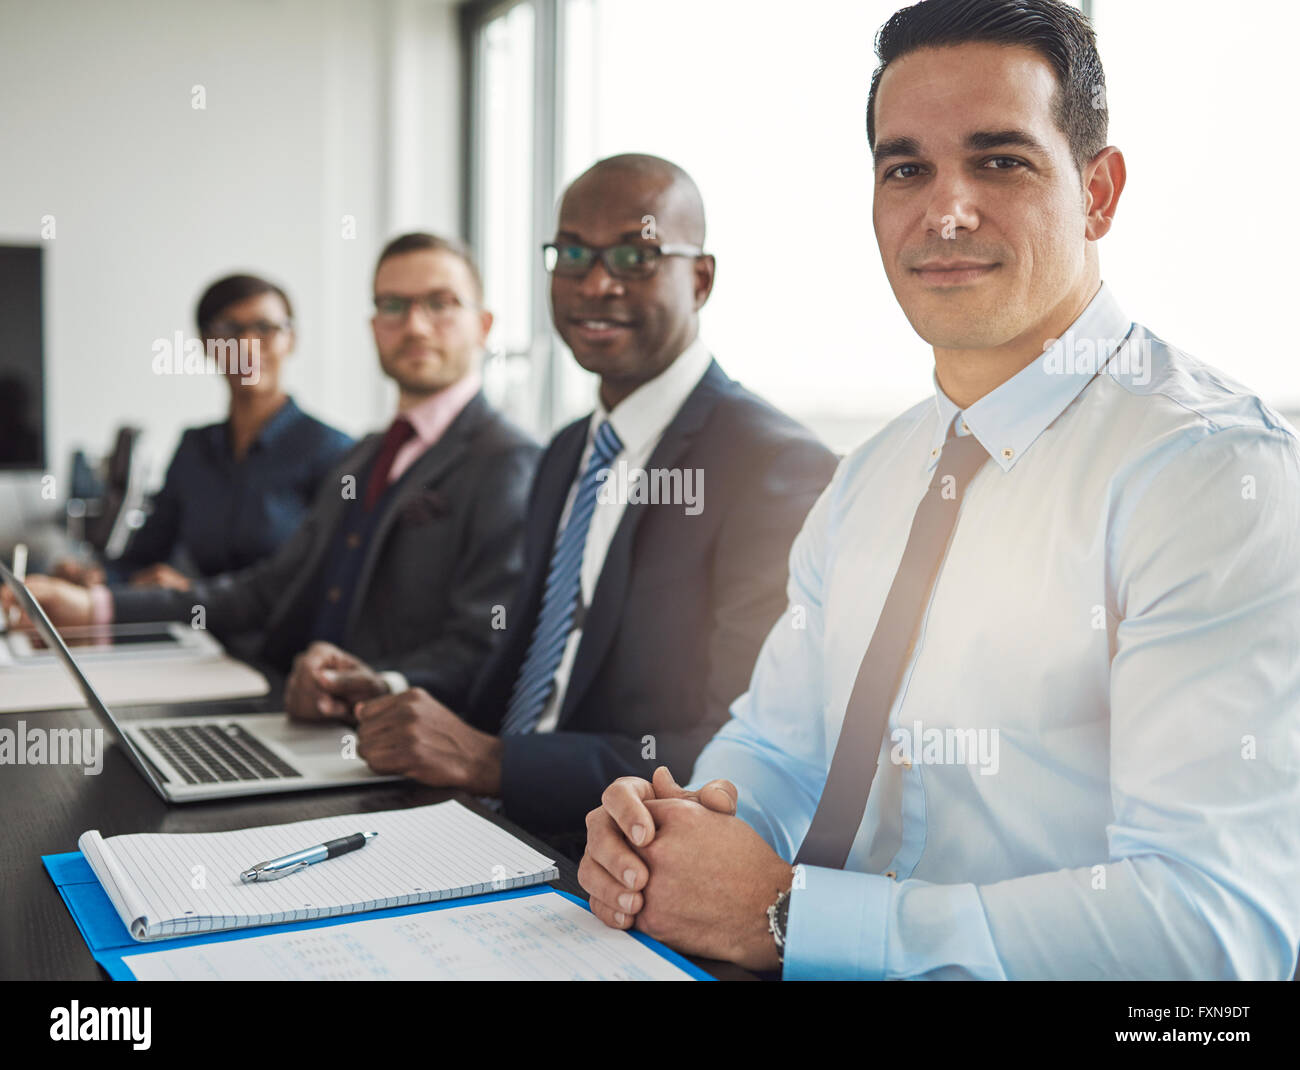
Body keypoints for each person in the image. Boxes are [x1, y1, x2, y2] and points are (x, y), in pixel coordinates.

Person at [578, 0, 1300, 980]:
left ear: (1098, 191)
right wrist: (669, 835)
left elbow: (1218, 929)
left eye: (999, 160)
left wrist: (795, 917)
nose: (944, 209)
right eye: (905, 167)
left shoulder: (1211, 476)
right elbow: (783, 748)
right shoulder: (869, 477)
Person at [284, 154, 838, 857]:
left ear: (699, 279)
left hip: (606, 857)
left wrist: (494, 764)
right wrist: (386, 689)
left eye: (636, 256)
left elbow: (736, 750)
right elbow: (526, 660)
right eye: (572, 253)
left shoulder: (772, 465)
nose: (596, 282)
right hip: (477, 820)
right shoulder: (568, 450)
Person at [10, 234, 539, 710]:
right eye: (393, 305)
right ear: (374, 326)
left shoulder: (506, 458)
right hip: (279, 694)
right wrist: (96, 606)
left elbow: (486, 642)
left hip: (380, 727)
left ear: (484, 325)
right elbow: (267, 588)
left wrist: (367, 686)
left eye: (441, 303)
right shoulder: (368, 455)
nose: (415, 324)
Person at [61, 274, 353, 592]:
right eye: (229, 330)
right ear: (206, 344)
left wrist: (193, 591)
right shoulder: (194, 447)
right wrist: (96, 577)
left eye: (265, 329)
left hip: (283, 638)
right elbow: (142, 558)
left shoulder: (332, 451)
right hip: (199, 633)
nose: (247, 345)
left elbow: (327, 582)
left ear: (291, 339)